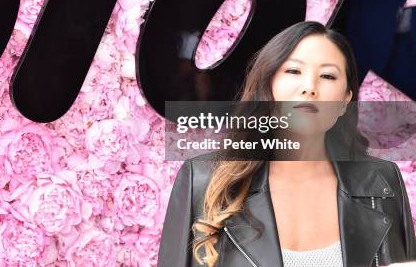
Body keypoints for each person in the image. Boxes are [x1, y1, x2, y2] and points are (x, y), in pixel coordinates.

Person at [157, 21, 416, 267]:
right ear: (268, 87)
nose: (309, 88)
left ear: (345, 100)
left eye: (327, 76)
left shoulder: (381, 181)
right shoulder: (202, 179)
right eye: (293, 71)